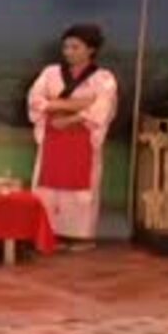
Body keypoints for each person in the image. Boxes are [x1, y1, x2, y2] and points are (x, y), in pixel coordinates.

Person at [27, 24, 118, 251]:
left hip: (82, 138)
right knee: (48, 187)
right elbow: (36, 100)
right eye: (66, 47)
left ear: (91, 49)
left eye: (75, 47)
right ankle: (49, 233)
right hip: (53, 137)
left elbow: (102, 107)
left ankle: (80, 237)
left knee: (81, 190)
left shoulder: (103, 78)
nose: (68, 52)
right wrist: (77, 104)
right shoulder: (50, 73)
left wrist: (69, 116)